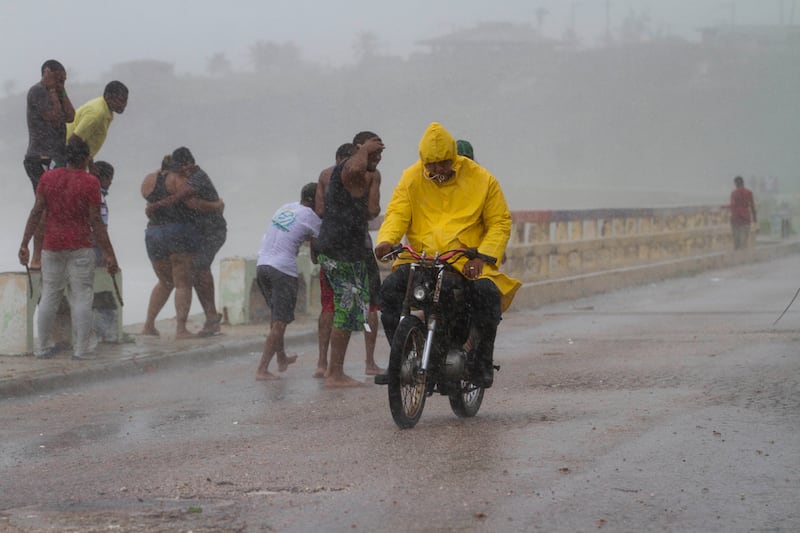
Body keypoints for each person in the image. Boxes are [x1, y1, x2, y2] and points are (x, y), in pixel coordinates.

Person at [375, 122, 521, 388]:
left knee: (487, 296)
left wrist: (483, 257)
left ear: (453, 156)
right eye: (431, 165)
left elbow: (499, 222)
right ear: (423, 161)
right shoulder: (411, 177)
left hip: (465, 261)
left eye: (443, 163)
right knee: (388, 294)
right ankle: (402, 358)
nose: (438, 170)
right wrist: (386, 240)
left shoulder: (482, 179)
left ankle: (481, 362)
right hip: (421, 259)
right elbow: (397, 212)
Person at [18, 136, 118, 360]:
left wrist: (24, 243)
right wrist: (110, 253)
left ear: (66, 156)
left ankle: (42, 348)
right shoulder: (91, 182)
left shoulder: (48, 178)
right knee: (82, 296)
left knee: (49, 297)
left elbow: (36, 212)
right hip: (81, 245)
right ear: (84, 158)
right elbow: (96, 222)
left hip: (52, 246)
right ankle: (81, 350)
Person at [315, 132, 385, 387]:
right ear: (358, 150)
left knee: (343, 309)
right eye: (372, 152)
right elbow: (372, 210)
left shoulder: (332, 173)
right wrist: (364, 150)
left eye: (379, 152)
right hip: (341, 250)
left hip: (340, 248)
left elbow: (321, 210)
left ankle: (333, 368)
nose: (376, 157)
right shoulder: (352, 170)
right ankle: (335, 373)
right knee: (344, 310)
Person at [146, 147, 227, 337]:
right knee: (193, 272)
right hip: (198, 232)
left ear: (189, 164)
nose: (180, 172)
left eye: (181, 168)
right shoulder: (182, 177)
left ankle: (211, 318)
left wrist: (156, 205)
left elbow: (182, 199)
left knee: (199, 268)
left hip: (213, 231)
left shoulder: (198, 177)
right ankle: (211, 318)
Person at [255, 183, 322, 380]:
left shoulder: (285, 207)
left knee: (276, 318)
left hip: (262, 266)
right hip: (282, 270)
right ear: (312, 200)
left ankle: (281, 358)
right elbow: (316, 255)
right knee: (280, 322)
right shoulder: (312, 217)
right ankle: (262, 369)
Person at [24, 59, 76, 269]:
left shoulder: (58, 91)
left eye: (64, 79)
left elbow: (71, 116)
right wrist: (53, 91)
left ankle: (54, 252)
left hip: (56, 156)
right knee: (43, 206)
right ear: (47, 72)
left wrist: (61, 90)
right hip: (40, 157)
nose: (61, 82)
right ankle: (36, 257)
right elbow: (54, 118)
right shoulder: (37, 92)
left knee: (57, 207)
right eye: (58, 77)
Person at [66, 80, 129, 167]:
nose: (124, 105)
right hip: (66, 158)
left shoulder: (107, 110)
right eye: (121, 101)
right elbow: (74, 140)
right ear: (108, 97)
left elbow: (87, 141)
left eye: (126, 101)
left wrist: (90, 164)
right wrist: (79, 169)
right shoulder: (97, 114)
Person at [90, 161, 119, 342]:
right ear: (104, 178)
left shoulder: (89, 194)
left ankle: (97, 331)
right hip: (94, 248)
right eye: (110, 179)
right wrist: (106, 253)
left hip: (86, 246)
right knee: (103, 289)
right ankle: (105, 333)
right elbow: (99, 227)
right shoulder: (98, 196)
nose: (110, 183)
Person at [730, 176, 757, 250]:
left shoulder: (734, 193)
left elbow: (732, 206)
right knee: (744, 241)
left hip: (735, 219)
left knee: (736, 241)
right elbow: (752, 206)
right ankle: (743, 257)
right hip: (745, 219)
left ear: (736, 184)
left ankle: (737, 257)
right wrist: (755, 219)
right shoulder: (749, 193)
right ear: (743, 183)